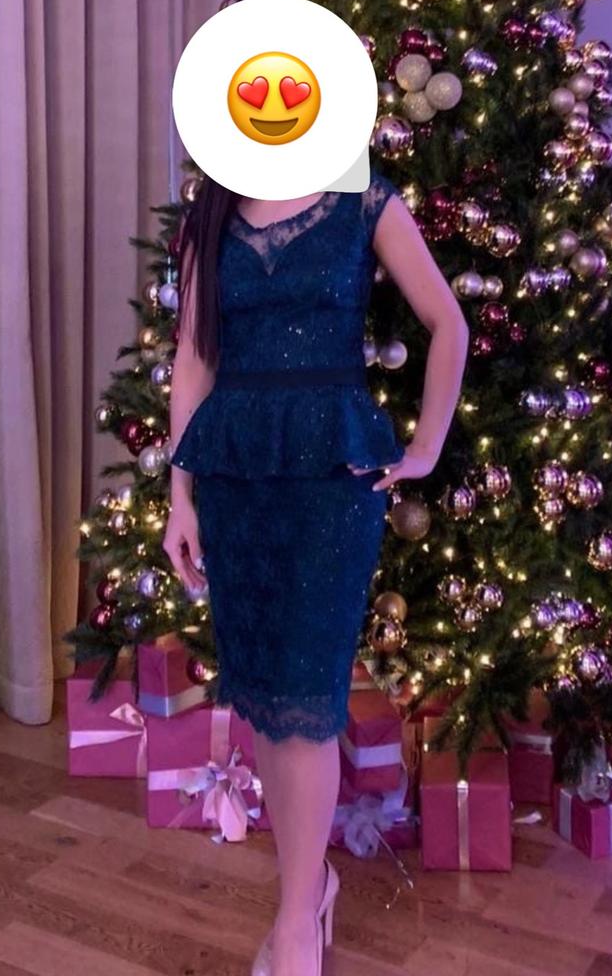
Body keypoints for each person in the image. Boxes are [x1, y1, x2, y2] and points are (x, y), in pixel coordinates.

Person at [163, 168, 469, 976]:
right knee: (267, 699)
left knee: (305, 695)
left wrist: (425, 448)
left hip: (331, 482)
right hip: (234, 479)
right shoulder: (212, 212)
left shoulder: (366, 200)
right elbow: (193, 357)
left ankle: (297, 920)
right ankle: (309, 887)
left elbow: (448, 321)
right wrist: (179, 498)